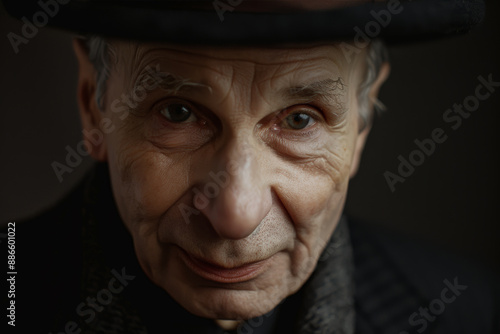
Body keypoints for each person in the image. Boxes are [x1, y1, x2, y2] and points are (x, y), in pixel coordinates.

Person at [1, 0, 498, 333]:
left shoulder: (466, 313)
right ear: (94, 105)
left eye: (301, 120)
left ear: (363, 121)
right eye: (178, 112)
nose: (236, 214)